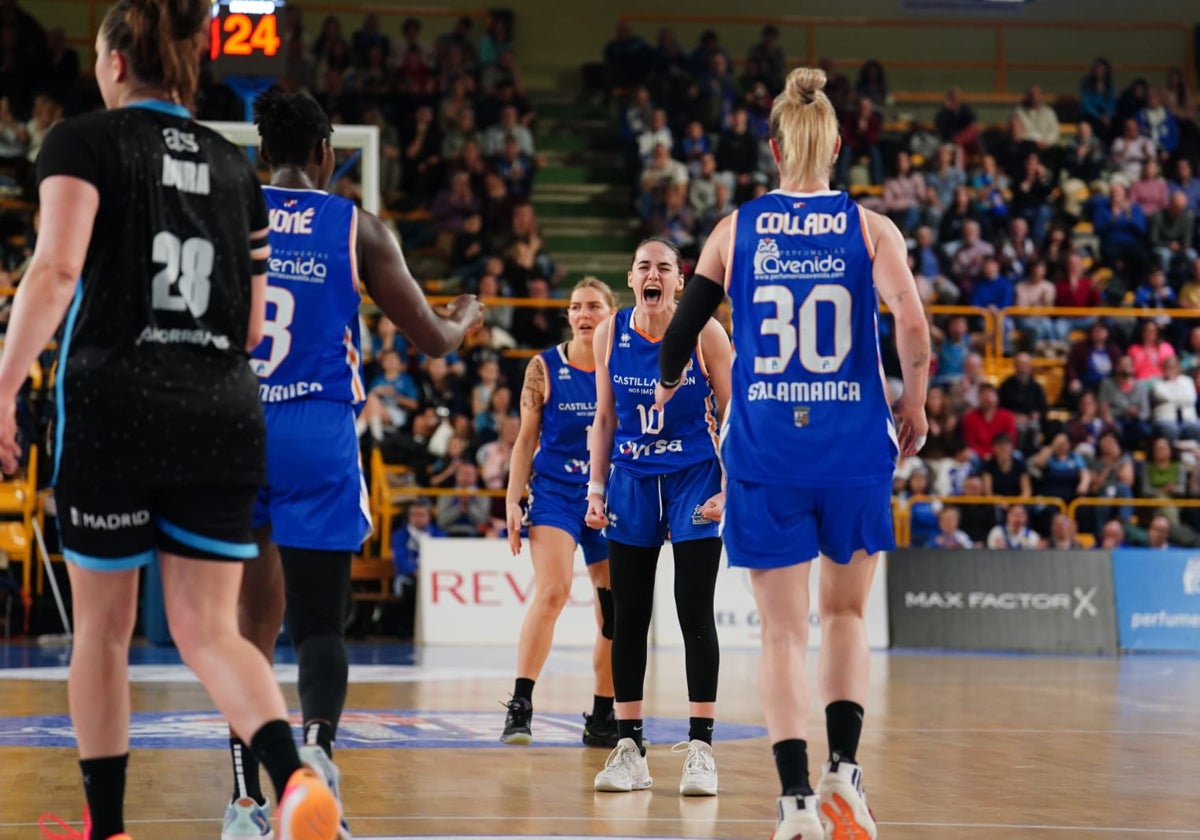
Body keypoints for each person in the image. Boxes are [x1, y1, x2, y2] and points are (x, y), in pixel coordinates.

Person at [2, 5, 342, 840]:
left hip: (116, 406)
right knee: (210, 631)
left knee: (105, 635)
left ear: (115, 62)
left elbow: (54, 269)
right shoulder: (237, 169)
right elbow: (257, 328)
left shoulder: (83, 141)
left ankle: (109, 828)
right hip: (224, 413)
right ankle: (295, 781)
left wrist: (3, 384)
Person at [655, 67, 929, 840]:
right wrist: (914, 401)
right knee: (844, 614)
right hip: (852, 448)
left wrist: (668, 381)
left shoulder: (735, 229)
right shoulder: (872, 229)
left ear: (773, 147)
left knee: (782, 633)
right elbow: (910, 324)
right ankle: (845, 773)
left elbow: (681, 331)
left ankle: (795, 803)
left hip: (766, 446)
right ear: (838, 145)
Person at [219, 91, 484, 840]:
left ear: (260, 154)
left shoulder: (232, 214)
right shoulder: (356, 227)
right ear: (330, 152)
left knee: (246, 633)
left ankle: (243, 805)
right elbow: (431, 339)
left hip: (242, 421)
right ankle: (319, 764)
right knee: (319, 623)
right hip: (318, 428)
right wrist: (464, 315)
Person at [585, 236, 731, 797]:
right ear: (631, 279)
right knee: (628, 616)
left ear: (680, 281)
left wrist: (732, 487)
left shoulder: (705, 332)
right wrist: (596, 491)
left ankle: (701, 748)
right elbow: (603, 416)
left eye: (664, 267)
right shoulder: (610, 333)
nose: (653, 273)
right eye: (644, 265)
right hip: (632, 479)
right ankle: (629, 748)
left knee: (694, 608)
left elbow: (737, 408)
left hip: (696, 475)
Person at [500, 278, 618, 747]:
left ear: (612, 313)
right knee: (553, 591)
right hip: (555, 492)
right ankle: (521, 703)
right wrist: (512, 498)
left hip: (610, 496)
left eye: (593, 306)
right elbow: (525, 439)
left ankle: (604, 715)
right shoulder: (544, 366)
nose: (583, 314)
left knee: (615, 613)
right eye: (575, 307)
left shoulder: (625, 364)